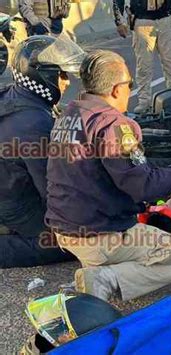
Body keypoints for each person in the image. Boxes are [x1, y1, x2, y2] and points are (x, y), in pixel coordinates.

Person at [46, 50, 171, 301]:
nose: (130, 90)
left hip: (65, 228)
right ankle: (105, 279)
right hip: (99, 234)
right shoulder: (115, 125)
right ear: (117, 89)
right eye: (130, 85)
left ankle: (99, 267)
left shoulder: (68, 115)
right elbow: (143, 187)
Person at [0, 35, 85, 268]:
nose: (67, 82)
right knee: (74, 243)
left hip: (9, 188)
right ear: (41, 74)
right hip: (16, 205)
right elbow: (53, 191)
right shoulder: (34, 123)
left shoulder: (14, 95)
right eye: (62, 74)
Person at [112, 0, 171, 114]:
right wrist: (119, 21)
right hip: (142, 20)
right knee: (144, 66)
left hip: (166, 18)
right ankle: (144, 102)